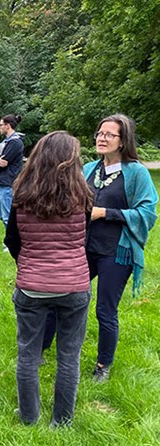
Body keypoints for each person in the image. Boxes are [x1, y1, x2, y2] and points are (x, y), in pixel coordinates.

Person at [4, 131, 93, 426]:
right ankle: (62, 421)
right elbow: (86, 241)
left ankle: (29, 418)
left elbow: (12, 240)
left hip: (31, 286)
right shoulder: (83, 195)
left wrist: (30, 264)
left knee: (28, 354)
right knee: (69, 356)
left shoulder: (22, 194)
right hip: (74, 286)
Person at [84, 114, 158, 383]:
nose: (102, 138)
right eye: (99, 133)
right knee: (67, 297)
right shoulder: (90, 168)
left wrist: (106, 213)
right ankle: (46, 347)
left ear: (123, 140)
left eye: (109, 135)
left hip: (117, 251)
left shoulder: (136, 172)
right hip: (84, 247)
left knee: (105, 309)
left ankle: (103, 365)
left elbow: (148, 212)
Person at [0, 114, 25, 231]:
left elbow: (4, 161)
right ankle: (10, 241)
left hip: (9, 182)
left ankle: (13, 243)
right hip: (2, 181)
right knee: (1, 215)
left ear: (8, 126)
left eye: (1, 125)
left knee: (8, 216)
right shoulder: (6, 142)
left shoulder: (15, 142)